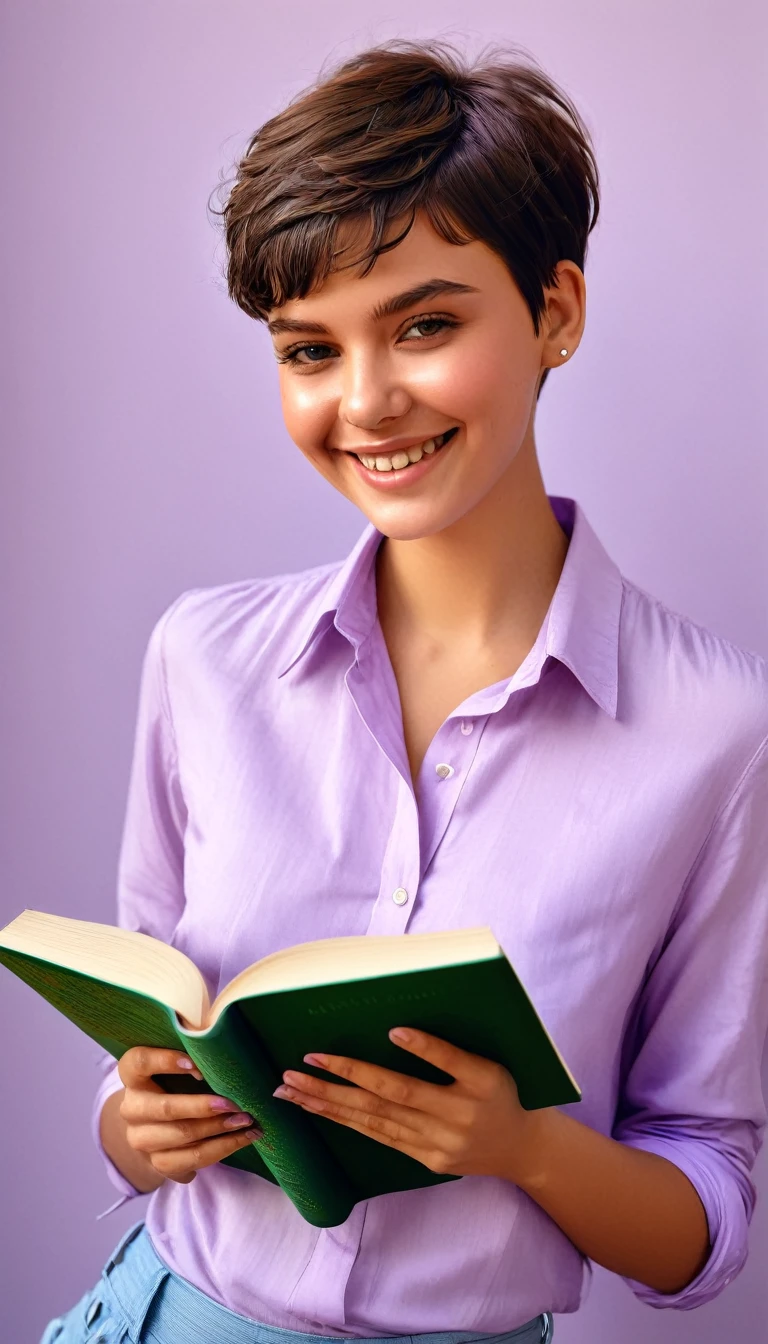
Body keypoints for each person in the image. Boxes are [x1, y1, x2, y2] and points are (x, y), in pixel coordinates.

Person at [40, 37, 768, 1344]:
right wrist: (133, 1121)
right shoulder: (202, 661)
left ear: (554, 312)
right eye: (308, 349)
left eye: (425, 325)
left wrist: (523, 1147)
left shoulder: (710, 732)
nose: (365, 403)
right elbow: (142, 1051)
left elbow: (707, 1208)